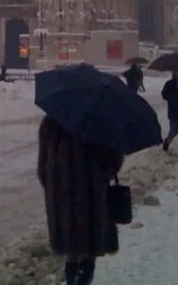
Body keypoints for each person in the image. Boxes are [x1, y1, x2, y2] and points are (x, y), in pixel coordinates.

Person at [37, 115, 124, 285]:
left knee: (72, 251)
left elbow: (42, 170)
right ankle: (83, 277)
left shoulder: (51, 122)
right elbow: (113, 163)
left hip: (63, 203)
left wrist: (56, 187)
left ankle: (73, 279)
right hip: (92, 200)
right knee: (89, 250)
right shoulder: (102, 121)